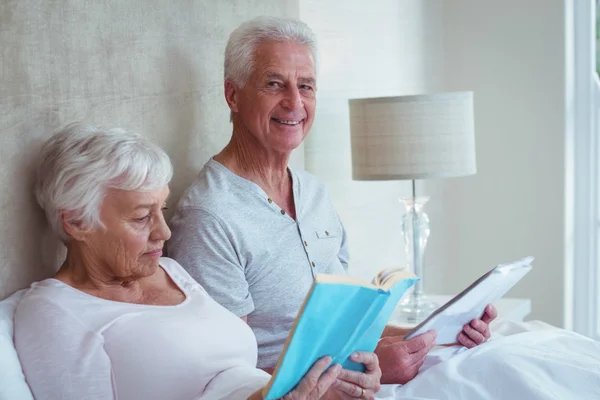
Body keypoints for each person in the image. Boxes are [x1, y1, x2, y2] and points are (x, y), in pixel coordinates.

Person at [168, 15, 497, 387]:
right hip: (309, 391)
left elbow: (345, 326)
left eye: (306, 86)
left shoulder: (313, 191)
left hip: (355, 377)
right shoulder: (209, 217)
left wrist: (437, 333)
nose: (294, 102)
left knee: (509, 364)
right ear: (233, 95)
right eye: (274, 84)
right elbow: (225, 380)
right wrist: (362, 368)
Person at [14, 123, 382, 400]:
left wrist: (325, 386)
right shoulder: (53, 312)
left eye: (163, 210)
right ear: (76, 221)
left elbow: (234, 378)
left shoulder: (170, 271)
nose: (165, 232)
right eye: (142, 217)